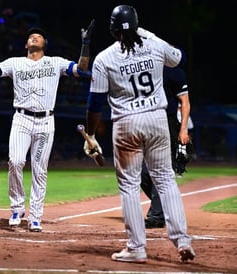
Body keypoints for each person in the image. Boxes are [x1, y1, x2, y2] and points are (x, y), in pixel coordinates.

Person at [83, 5, 195, 263]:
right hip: (157, 118)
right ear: (136, 25)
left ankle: (136, 247)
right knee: (166, 179)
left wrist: (91, 135)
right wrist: (147, 34)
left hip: (126, 124)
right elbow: (181, 59)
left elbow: (94, 104)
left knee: (129, 186)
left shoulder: (104, 58)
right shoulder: (153, 44)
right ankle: (182, 240)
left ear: (112, 29)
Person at [0, 19, 95, 232]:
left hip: (46, 121)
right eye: (31, 36)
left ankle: (36, 216)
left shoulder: (55, 62)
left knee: (40, 170)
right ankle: (17, 208)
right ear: (26, 45)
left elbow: (81, 69)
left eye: (38, 35)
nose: (34, 37)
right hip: (21, 119)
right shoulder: (15, 63)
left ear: (44, 43)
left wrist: (85, 45)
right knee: (15, 161)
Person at [141, 65, 193, 229]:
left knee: (160, 169)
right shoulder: (144, 67)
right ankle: (166, 206)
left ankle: (156, 216)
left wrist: (183, 129)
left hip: (167, 123)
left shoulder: (174, 71)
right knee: (142, 173)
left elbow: (185, 102)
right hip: (144, 122)